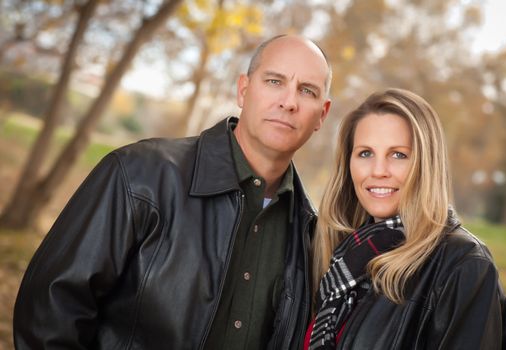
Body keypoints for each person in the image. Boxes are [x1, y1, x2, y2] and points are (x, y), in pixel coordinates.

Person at [13, 34, 332, 350]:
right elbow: (49, 312)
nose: (289, 102)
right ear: (243, 90)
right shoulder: (139, 174)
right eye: (275, 81)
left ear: (322, 113)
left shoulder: (312, 237)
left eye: (307, 91)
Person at [305, 88, 506, 350]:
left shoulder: (465, 265)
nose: (379, 171)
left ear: (425, 164)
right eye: (365, 153)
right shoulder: (344, 256)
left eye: (399, 155)